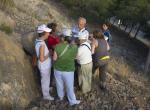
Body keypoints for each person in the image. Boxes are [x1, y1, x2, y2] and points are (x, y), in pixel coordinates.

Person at [53, 28, 80, 106]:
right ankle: (72, 101)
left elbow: (54, 58)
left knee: (59, 84)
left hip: (58, 69)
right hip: (69, 70)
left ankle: (60, 97)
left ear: (63, 37)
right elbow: (76, 57)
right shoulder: (75, 47)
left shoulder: (57, 46)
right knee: (69, 86)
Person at [35, 24, 54, 100]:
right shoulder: (42, 44)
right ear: (43, 33)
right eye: (47, 32)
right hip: (44, 65)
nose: (48, 34)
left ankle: (46, 89)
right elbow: (42, 58)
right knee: (45, 80)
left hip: (43, 65)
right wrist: (49, 53)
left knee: (46, 79)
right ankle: (46, 95)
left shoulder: (38, 40)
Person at [47, 23, 60, 87]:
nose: (56, 29)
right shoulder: (50, 37)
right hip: (52, 55)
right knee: (52, 70)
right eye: (55, 28)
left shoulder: (52, 36)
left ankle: (51, 83)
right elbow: (53, 46)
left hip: (53, 54)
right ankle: (51, 84)